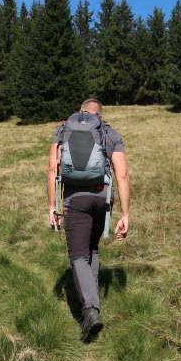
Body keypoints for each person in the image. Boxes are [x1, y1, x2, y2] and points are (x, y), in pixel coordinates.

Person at [47, 99, 130, 343]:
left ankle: (90, 311)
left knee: (78, 255)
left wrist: (52, 207)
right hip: (103, 196)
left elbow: (53, 169)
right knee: (92, 248)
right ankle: (92, 298)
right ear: (100, 115)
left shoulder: (64, 130)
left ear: (80, 113)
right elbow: (122, 174)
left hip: (75, 197)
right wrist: (126, 214)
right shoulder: (110, 133)